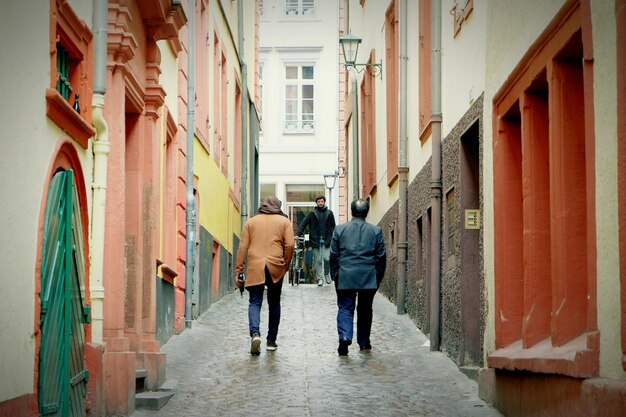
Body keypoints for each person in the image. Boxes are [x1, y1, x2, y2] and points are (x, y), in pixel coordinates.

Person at [234, 196, 294, 355]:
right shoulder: (284, 222)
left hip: (255, 266)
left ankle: (255, 334)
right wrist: (285, 265)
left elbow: (242, 247)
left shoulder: (251, 222)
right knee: (274, 303)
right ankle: (271, 341)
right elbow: (290, 244)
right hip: (276, 266)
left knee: (254, 302)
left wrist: (239, 270)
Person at [329, 198, 386, 356]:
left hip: (345, 275)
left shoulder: (340, 230)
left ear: (351, 211)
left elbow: (333, 255)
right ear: (367, 212)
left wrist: (336, 275)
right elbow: (381, 257)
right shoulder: (375, 231)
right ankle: (364, 342)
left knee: (345, 308)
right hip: (368, 276)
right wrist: (377, 277)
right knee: (365, 309)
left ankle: (345, 336)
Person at [295, 195, 336, 286]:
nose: (320, 203)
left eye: (322, 201)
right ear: (316, 203)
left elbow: (333, 226)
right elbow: (303, 224)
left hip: (327, 240)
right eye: (319, 202)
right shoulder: (312, 213)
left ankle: (326, 273)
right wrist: (298, 234)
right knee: (318, 260)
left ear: (324, 202)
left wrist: (333, 236)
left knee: (327, 258)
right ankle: (320, 278)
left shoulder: (329, 213)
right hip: (315, 240)